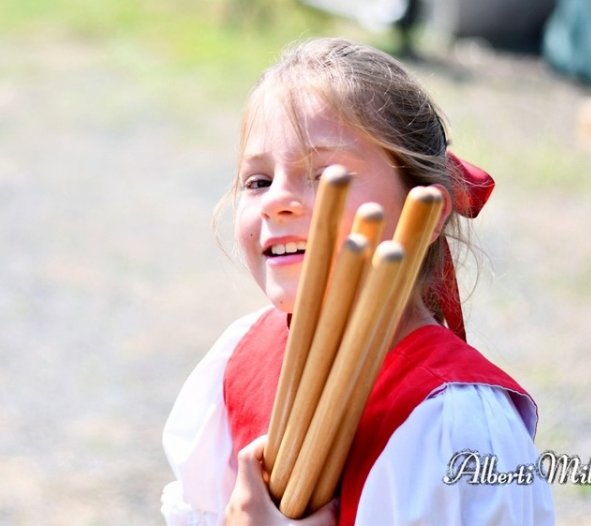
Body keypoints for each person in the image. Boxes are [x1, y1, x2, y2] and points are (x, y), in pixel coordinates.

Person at [161, 38, 555, 525]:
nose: (277, 200)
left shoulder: (454, 422)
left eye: (327, 177)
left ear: (426, 213)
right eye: (257, 181)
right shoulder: (238, 357)